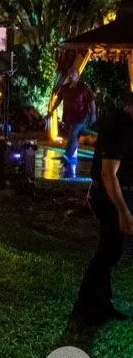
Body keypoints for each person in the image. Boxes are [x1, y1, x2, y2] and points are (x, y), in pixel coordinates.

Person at [72, 93, 133, 326]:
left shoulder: (124, 125)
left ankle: (100, 302)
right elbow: (108, 173)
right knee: (109, 250)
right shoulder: (119, 128)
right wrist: (123, 211)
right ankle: (86, 304)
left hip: (117, 194)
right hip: (111, 196)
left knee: (110, 249)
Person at [58, 70, 96, 169]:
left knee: (73, 134)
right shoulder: (65, 88)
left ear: (78, 76)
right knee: (72, 136)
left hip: (80, 116)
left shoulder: (83, 88)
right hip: (68, 116)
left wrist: (93, 114)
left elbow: (91, 101)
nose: (71, 76)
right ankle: (72, 154)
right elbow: (59, 99)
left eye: (73, 74)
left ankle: (67, 155)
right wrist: (51, 110)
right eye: (70, 74)